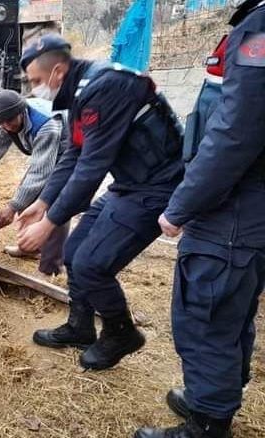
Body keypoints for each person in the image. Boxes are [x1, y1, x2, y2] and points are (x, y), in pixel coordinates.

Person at [16, 35, 185, 370]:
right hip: (129, 184)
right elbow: (74, 153)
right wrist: (44, 202)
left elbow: (92, 167)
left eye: (36, 81)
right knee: (74, 253)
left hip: (157, 186)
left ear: (58, 72)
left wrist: (48, 225)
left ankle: (121, 332)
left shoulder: (104, 88)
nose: (34, 89)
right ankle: (80, 327)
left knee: (93, 264)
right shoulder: (79, 92)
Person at [135, 1, 265, 436]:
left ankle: (207, 423)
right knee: (231, 313)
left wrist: (181, 206)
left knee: (205, 314)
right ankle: (216, 397)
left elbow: (235, 133)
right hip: (246, 208)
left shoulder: (261, 27)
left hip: (231, 209)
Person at [0, 90, 69, 275]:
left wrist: (12, 207)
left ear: (22, 111)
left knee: (57, 203)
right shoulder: (4, 121)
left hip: (70, 153)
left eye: (10, 121)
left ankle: (53, 264)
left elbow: (40, 173)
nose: (7, 127)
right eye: (1, 123)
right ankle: (30, 248)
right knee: (27, 199)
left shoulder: (47, 125)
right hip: (48, 154)